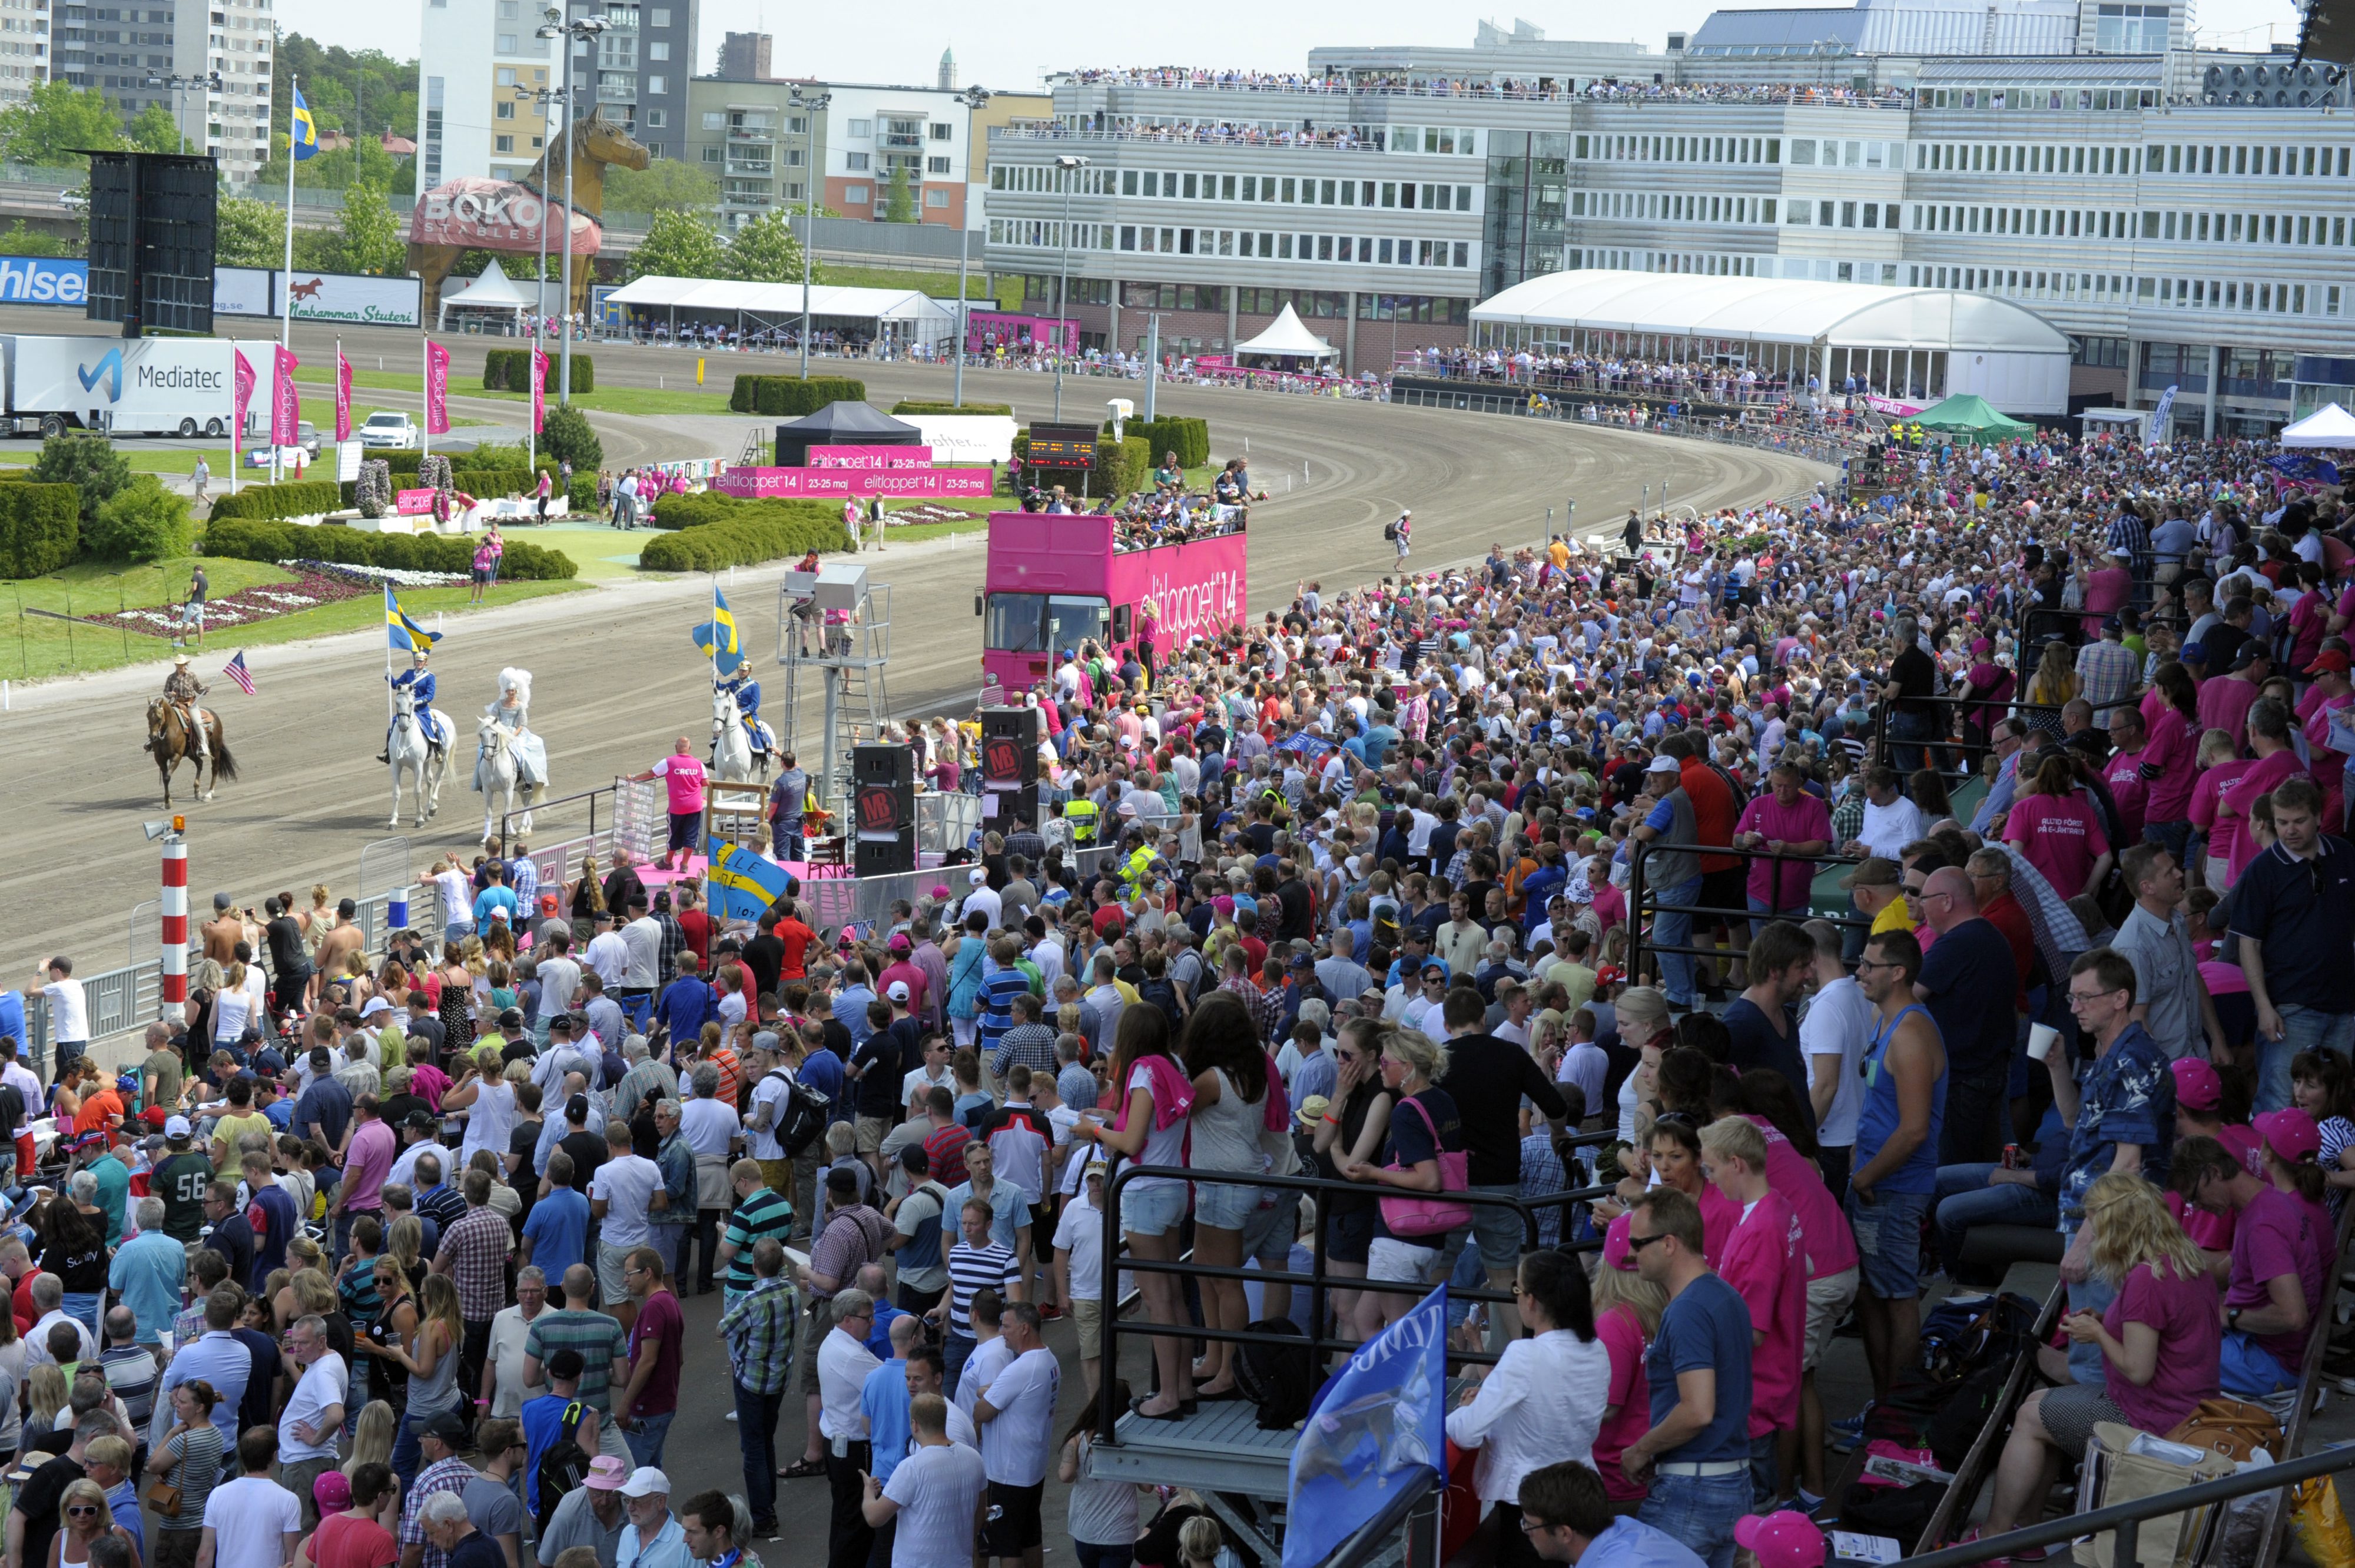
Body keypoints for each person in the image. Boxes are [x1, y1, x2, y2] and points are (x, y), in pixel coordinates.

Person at [1978, 1173, 2220, 1542]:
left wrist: (2099, 1335)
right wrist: (2108, 1321)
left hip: (2154, 1417)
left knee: (2029, 1418)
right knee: (2039, 1403)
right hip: (2188, 1404)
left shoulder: (2145, 1278)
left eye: (2095, 1223)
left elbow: (2139, 1371)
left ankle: (1994, 1538)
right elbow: (2163, 1331)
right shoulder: (2185, 1258)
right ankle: (2027, 1532)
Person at [2052, 948, 2176, 1386]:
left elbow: (2128, 1162)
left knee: (2095, 1357)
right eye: (2072, 997)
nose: (2075, 1007)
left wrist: (2086, 1240)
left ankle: (2095, 1446)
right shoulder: (2113, 1052)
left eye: (2086, 997)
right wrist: (2056, 1065)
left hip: (2109, 1228)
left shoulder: (2130, 1062)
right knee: (2091, 1350)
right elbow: (2076, 1124)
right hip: (2099, 1218)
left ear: (2120, 997)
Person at [1445, 1251, 1611, 1567]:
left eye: (1516, 1290)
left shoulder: (1525, 1354)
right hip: (1580, 1490)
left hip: (1529, 1501)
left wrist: (1464, 1410)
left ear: (1531, 1300)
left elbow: (1466, 1433)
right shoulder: (1596, 1349)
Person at [1618, 1188, 1752, 1568]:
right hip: (1734, 1483)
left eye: (1638, 1243)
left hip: (1692, 1490)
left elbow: (1697, 1410)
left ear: (1670, 1243)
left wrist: (1641, 1449)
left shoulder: (1687, 1310)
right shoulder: (1725, 1295)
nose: (1631, 1253)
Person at [1846, 930, 1945, 1413]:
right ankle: (1882, 1405)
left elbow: (1913, 1130)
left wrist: (1864, 1178)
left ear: (1898, 972)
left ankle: (1898, 1412)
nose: (1859, 971)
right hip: (1876, 1185)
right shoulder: (1885, 1021)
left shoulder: (1909, 1032)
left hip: (1892, 1190)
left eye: (1868, 964)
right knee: (1873, 1294)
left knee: (1898, 1296)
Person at [2228, 777, 2355, 1112]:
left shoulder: (2344, 854)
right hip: (2291, 1008)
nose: (2289, 830)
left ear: (2317, 816)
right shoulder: (2262, 870)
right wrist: (2265, 1007)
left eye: (2298, 821)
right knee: (2279, 1102)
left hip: (2344, 1005)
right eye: (2282, 822)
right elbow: (2248, 944)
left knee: (2337, 1101)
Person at [2175, 1127, 2329, 1400]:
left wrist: (2230, 1316)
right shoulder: (2267, 1200)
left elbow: (2293, 1316)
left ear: (2215, 1172)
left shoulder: (2263, 1227)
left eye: (2194, 1196)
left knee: (2153, 1354)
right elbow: (2225, 1272)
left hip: (2267, 1363)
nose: (2196, 1207)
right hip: (2259, 1349)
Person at [1697, 1118, 1804, 1511]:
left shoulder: (1760, 1228)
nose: (1709, 1180)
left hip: (1755, 1390)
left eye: (1711, 1169)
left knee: (1751, 1509)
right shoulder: (1778, 1206)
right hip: (1766, 1383)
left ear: (1736, 1163)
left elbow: (1753, 1330)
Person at [1910, 866, 2018, 1165]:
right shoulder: (1990, 936)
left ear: (1946, 901)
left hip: (1963, 1078)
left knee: (1955, 1171)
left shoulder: (1957, 943)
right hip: (1988, 1070)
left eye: (1925, 898)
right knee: (1981, 1164)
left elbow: (1906, 998)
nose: (1921, 906)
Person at [971, 1301, 1059, 1568]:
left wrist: (983, 1393)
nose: (1001, 1332)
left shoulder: (1020, 1369)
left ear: (1024, 1329)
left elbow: (981, 1413)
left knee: (1007, 1544)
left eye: (1006, 1326)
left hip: (1007, 1472)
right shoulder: (1049, 1359)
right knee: (1030, 1535)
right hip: (1031, 1468)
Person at [717, 1238, 792, 1539]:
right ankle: (767, 1504)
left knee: (753, 1448)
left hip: (751, 1379)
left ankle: (762, 1515)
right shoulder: (790, 1292)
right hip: (779, 1378)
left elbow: (723, 1329)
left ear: (754, 1266)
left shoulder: (751, 1301)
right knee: (767, 1440)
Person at [862, 1394, 986, 1568]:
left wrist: (868, 1492)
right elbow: (979, 1514)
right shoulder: (975, 1459)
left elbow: (875, 1518)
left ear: (915, 1425)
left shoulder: (912, 1467)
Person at [1517, 1460, 1704, 1568]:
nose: (1525, 1531)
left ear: (1565, 1533)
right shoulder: (1619, 1529)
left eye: (1529, 1524)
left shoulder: (1621, 1563)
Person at [817, 1290, 882, 1568]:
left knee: (844, 1519)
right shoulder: (852, 1356)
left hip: (835, 1444)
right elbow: (891, 1384)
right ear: (848, 1320)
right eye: (868, 1318)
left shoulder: (834, 1341)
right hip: (854, 1450)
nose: (874, 1323)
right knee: (857, 1528)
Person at [279, 1314, 351, 1530]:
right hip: (306, 1460)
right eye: (295, 1343)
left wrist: (315, 1438)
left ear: (321, 1341)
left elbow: (336, 1415)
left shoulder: (324, 1371)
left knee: (302, 1527)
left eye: (304, 1343)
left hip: (305, 1462)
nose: (297, 1349)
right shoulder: (327, 1360)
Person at [197, 1428, 300, 1568]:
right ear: (274, 1456)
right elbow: (291, 1560)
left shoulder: (217, 1495)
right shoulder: (289, 1500)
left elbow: (205, 1554)